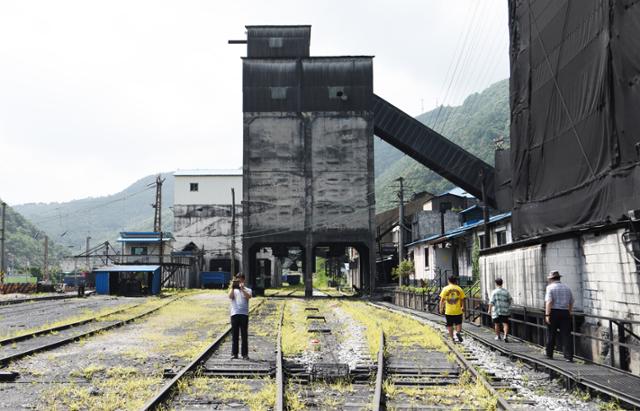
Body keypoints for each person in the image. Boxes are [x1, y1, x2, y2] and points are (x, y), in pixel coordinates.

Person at [544, 270, 574, 362]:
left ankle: (549, 354)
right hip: (565, 312)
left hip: (554, 312)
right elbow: (571, 301)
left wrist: (547, 314)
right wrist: (569, 311)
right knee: (566, 335)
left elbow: (549, 301)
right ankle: (568, 356)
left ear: (551, 279)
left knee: (551, 333)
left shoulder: (550, 288)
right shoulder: (567, 288)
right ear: (559, 278)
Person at [228, 273, 252, 360]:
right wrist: (232, 287)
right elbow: (230, 297)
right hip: (234, 314)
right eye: (237, 279)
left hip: (244, 314)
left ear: (243, 280)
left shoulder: (248, 289)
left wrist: (242, 289)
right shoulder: (233, 290)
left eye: (241, 279)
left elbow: (248, 297)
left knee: (244, 335)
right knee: (235, 335)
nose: (239, 281)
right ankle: (234, 354)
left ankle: (244, 354)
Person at [439, 275, 466, 343]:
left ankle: (452, 338)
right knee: (459, 323)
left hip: (448, 311)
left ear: (448, 280)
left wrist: (441, 308)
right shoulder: (459, 289)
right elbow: (462, 299)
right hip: (458, 310)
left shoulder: (445, 289)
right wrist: (463, 306)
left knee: (449, 325)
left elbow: (442, 300)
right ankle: (458, 332)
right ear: (455, 281)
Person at [488, 278, 513, 342]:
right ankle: (505, 336)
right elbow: (510, 300)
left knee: (497, 324)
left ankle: (498, 336)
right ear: (502, 283)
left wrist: (489, 310)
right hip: (505, 310)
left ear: (496, 283)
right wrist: (508, 307)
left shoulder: (494, 292)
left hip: (496, 311)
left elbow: (491, 302)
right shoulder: (506, 292)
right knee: (505, 323)